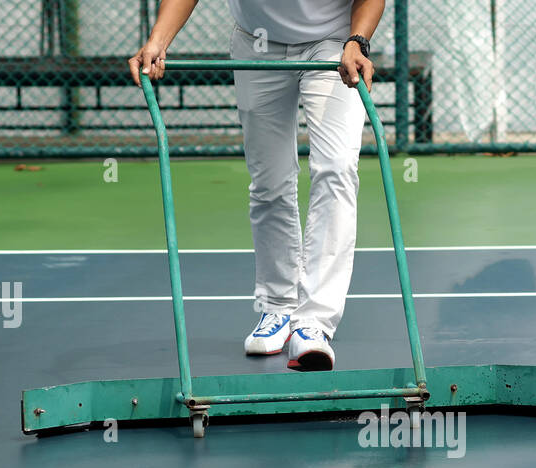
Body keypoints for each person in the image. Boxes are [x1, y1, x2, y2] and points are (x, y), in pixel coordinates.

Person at [131, 1, 385, 371]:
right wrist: (157, 40)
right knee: (270, 181)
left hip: (334, 40)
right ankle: (278, 308)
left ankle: (314, 323)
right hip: (258, 42)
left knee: (336, 168)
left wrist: (357, 41)